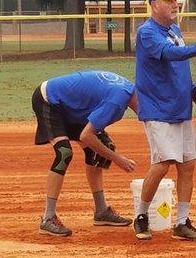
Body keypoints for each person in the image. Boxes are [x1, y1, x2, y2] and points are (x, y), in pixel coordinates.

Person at [133, 0, 196, 241]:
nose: (175, 4)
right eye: (169, 0)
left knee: (188, 164)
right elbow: (169, 54)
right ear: (154, 4)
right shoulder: (147, 32)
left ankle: (181, 222)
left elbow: (177, 67)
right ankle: (141, 215)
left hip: (180, 108)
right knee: (162, 164)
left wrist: (194, 89)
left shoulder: (173, 29)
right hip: (159, 109)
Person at [31, 70, 137, 237]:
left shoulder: (127, 89)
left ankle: (101, 211)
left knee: (103, 148)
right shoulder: (116, 103)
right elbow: (86, 136)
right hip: (49, 99)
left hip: (70, 105)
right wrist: (118, 159)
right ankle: (48, 218)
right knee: (64, 153)